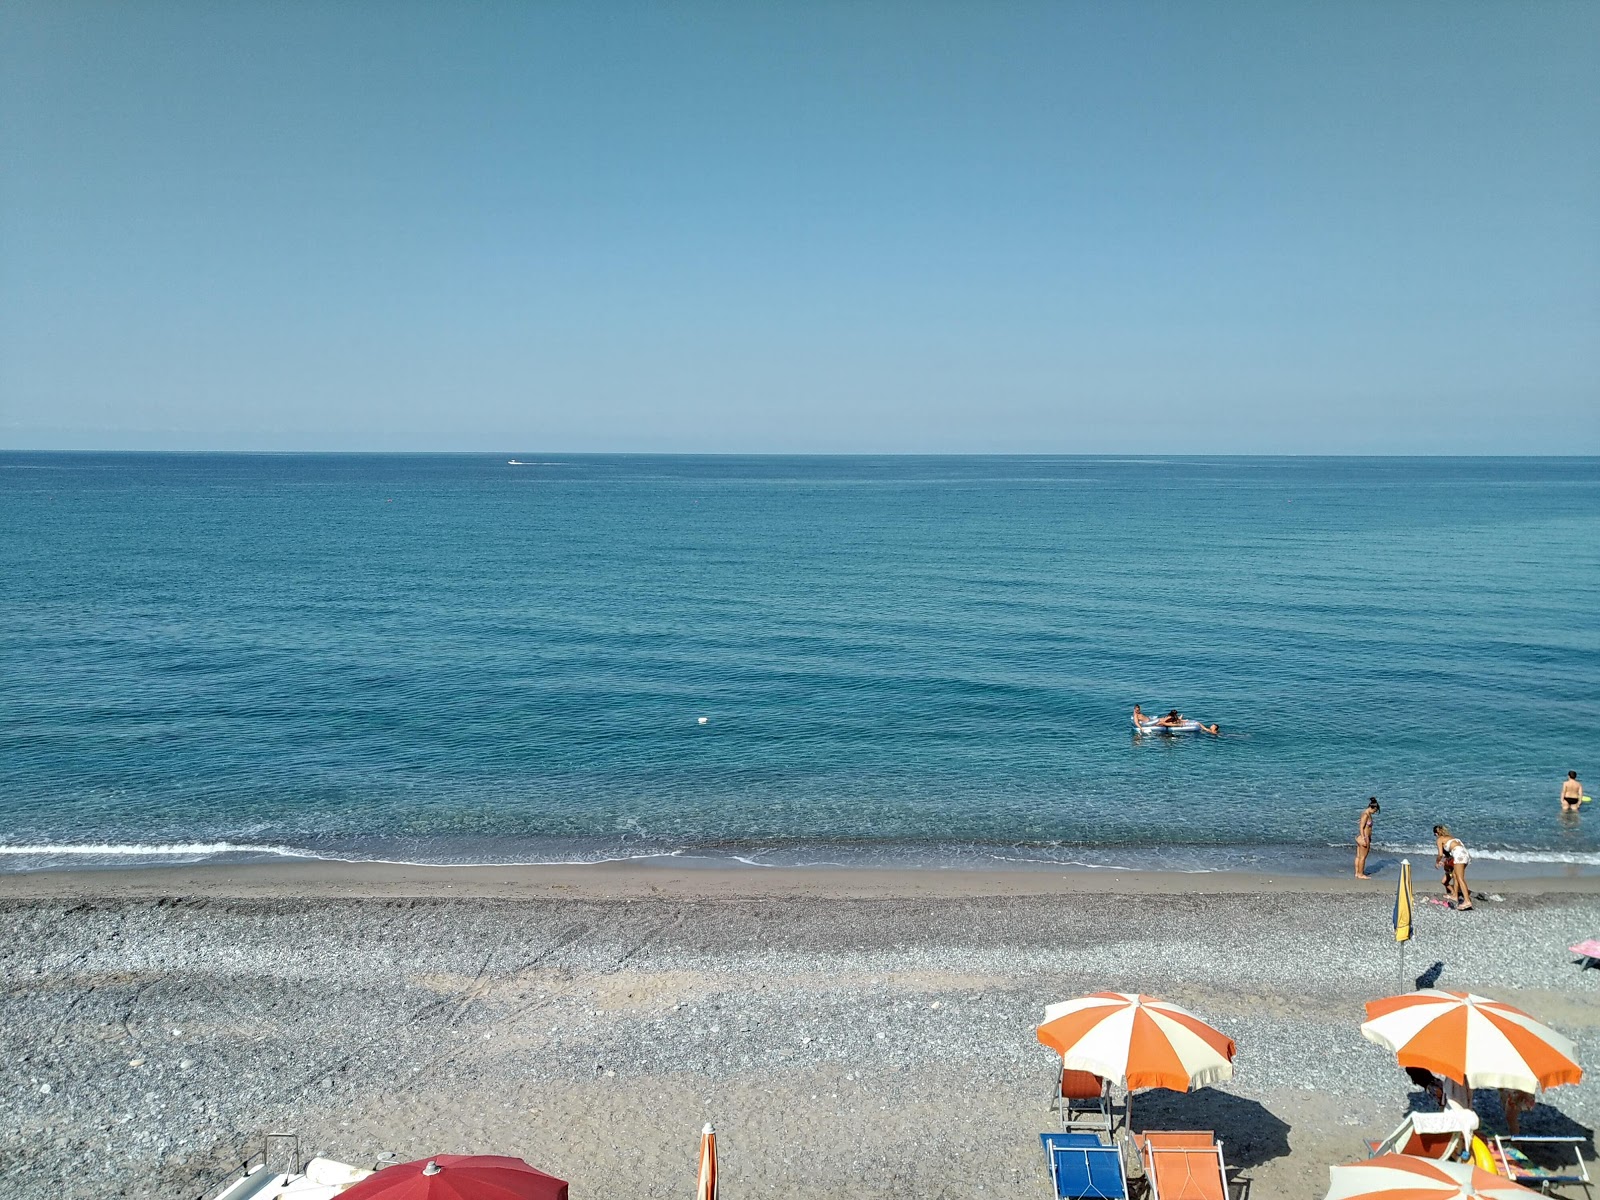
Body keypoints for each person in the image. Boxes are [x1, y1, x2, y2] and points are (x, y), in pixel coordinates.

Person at [1433, 825, 1473, 910]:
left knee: (1460, 878)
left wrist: (1437, 862)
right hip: (1465, 853)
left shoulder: (1440, 839)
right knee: (1455, 875)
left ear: (1436, 834)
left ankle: (1467, 901)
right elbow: (1451, 851)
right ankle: (1455, 895)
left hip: (1459, 855)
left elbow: (1440, 854)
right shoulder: (1450, 837)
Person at [1355, 798, 1379, 879]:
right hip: (1364, 837)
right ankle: (1360, 874)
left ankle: (1357, 873)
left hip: (1363, 837)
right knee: (1363, 857)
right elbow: (1361, 827)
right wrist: (1364, 838)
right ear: (1373, 808)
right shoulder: (1366, 814)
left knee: (1359, 856)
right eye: (1375, 811)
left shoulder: (1366, 814)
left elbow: (1363, 824)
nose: (1375, 813)